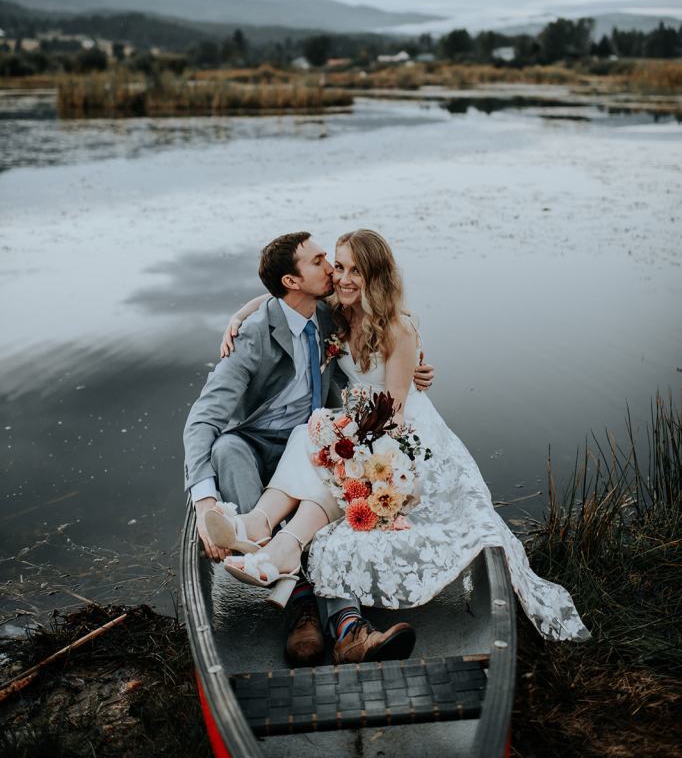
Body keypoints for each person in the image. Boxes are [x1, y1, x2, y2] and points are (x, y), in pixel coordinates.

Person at [212, 229, 590, 665]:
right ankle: (264, 529)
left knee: (320, 444)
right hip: (361, 422)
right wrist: (237, 316)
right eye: (339, 266)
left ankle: (273, 536)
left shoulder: (398, 327)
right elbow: (279, 302)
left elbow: (392, 414)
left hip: (398, 432)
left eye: (357, 270)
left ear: (377, 275)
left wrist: (349, 444)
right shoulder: (335, 312)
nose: (344, 277)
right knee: (309, 434)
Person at [183, 230, 434, 667]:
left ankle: (344, 627)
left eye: (331, 262)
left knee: (332, 460)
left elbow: (387, 325)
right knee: (225, 447)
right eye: (322, 262)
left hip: (311, 434)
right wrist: (204, 503)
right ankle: (295, 594)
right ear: (291, 282)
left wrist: (412, 366)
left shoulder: (327, 314)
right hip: (257, 440)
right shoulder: (252, 336)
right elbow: (203, 418)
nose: (333, 272)